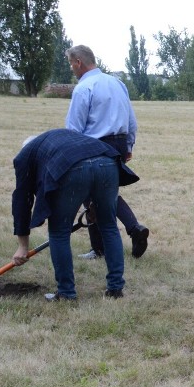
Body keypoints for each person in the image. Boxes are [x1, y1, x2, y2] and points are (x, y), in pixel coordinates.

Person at [11, 130, 139, 301]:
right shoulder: (59, 139)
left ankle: (66, 293)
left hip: (76, 167)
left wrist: (22, 246)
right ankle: (115, 289)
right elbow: (90, 165)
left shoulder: (25, 157)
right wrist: (94, 203)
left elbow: (21, 201)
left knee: (59, 233)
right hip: (108, 162)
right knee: (109, 226)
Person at [64, 45, 150, 260]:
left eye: (71, 64)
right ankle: (133, 230)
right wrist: (128, 145)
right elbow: (131, 119)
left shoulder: (84, 88)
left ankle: (100, 247)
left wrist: (70, 155)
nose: (71, 69)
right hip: (118, 143)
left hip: (94, 146)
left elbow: (74, 128)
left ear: (78, 63)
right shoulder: (117, 83)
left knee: (91, 194)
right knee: (105, 193)